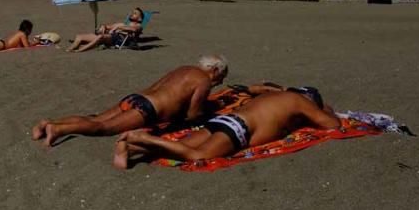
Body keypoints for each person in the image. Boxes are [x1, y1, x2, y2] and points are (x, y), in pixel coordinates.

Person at [113, 86, 340, 169]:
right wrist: (325, 111)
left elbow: (256, 88)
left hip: (225, 120)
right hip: (239, 128)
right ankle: (142, 138)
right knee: (196, 155)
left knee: (177, 146)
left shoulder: (278, 95)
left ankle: (131, 149)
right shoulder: (299, 103)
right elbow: (332, 125)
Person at [31, 55, 229, 147]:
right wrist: (212, 108)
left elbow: (160, 88)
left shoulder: (183, 68)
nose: (219, 82)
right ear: (214, 70)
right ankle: (59, 130)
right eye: (221, 77)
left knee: (96, 118)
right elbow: (193, 114)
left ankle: (49, 123)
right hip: (148, 109)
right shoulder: (203, 80)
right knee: (103, 128)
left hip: (137, 98)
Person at [66, 7, 145, 52]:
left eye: (135, 13)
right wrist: (103, 27)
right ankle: (71, 48)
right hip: (110, 36)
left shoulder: (139, 26)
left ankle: (80, 50)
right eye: (132, 12)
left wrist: (118, 28)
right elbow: (108, 26)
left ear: (140, 18)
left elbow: (133, 30)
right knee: (79, 36)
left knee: (100, 37)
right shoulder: (122, 24)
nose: (132, 13)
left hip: (119, 40)